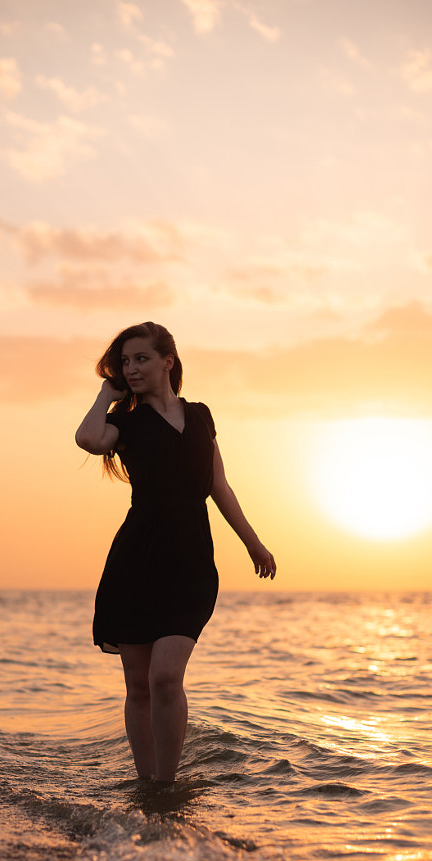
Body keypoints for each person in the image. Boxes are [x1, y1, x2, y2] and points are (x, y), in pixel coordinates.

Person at [75, 322, 276, 784]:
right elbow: (87, 439)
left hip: (190, 563)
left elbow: (218, 486)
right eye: (125, 362)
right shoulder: (124, 424)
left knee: (166, 676)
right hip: (136, 562)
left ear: (168, 360)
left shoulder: (201, 416)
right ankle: (151, 787)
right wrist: (107, 395)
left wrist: (253, 542)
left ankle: (168, 783)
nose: (132, 368)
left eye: (141, 358)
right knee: (139, 685)